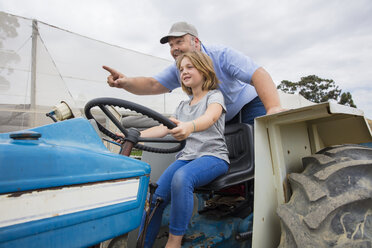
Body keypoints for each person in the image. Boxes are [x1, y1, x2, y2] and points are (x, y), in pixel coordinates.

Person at [103, 21, 285, 125]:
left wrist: (273, 109)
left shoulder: (221, 55)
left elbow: (258, 74)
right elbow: (153, 84)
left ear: (196, 42)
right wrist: (125, 82)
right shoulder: (180, 68)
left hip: (249, 104)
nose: (174, 48)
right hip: (220, 116)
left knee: (258, 148)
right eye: (171, 45)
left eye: (179, 42)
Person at [136, 51, 229, 248]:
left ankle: (174, 242)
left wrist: (189, 127)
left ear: (204, 70)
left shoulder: (214, 96)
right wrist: (136, 135)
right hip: (187, 157)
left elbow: (210, 118)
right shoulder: (182, 106)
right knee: (156, 197)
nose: (184, 72)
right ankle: (143, 244)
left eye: (189, 67)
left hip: (212, 157)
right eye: (180, 69)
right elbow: (163, 128)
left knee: (182, 178)